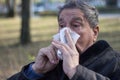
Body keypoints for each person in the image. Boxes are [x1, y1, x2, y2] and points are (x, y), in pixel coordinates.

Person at [8, 0, 120, 80]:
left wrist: (75, 72)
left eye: (76, 25)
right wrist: (34, 71)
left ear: (94, 32)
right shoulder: (53, 65)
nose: (66, 33)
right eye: (62, 26)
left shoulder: (115, 63)